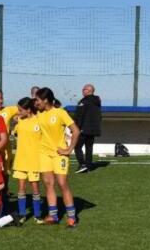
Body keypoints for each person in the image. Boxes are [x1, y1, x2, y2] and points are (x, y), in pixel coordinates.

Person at [34, 87, 80, 228]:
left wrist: (69, 149)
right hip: (44, 154)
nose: (36, 103)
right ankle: (53, 215)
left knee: (62, 184)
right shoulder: (38, 114)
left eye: (38, 100)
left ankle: (72, 217)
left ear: (46, 100)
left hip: (59, 154)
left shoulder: (60, 113)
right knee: (48, 184)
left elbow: (76, 131)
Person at [11, 97, 43, 222]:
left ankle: (37, 214)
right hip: (20, 160)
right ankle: (22, 214)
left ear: (29, 109)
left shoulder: (39, 121)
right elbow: (16, 134)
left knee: (35, 188)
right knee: (21, 188)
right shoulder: (20, 121)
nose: (18, 112)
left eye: (20, 110)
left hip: (34, 161)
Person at [73, 83, 102, 173]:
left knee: (77, 147)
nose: (82, 90)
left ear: (89, 91)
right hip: (93, 129)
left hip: (84, 128)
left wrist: (76, 127)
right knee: (89, 148)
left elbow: (79, 116)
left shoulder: (84, 101)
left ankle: (82, 164)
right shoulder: (97, 102)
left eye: (84, 89)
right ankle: (88, 167)